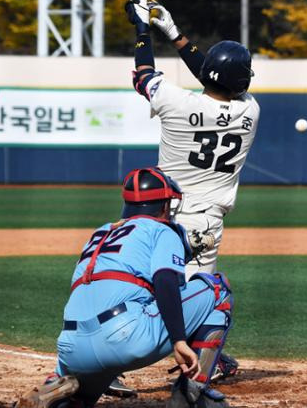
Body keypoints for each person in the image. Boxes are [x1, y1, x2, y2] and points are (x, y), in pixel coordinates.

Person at [117, 0, 260, 389]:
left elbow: (144, 74)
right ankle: (200, 373)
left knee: (140, 285)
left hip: (160, 214)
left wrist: (143, 29)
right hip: (207, 223)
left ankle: (107, 367)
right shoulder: (250, 111)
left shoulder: (175, 102)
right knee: (202, 298)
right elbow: (214, 78)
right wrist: (175, 34)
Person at [20, 167, 234, 408]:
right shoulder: (162, 230)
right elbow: (166, 283)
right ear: (164, 205)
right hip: (125, 337)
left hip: (71, 347)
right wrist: (179, 340)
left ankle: (58, 387)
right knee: (218, 290)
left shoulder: (101, 232)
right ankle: (191, 394)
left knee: (78, 402)